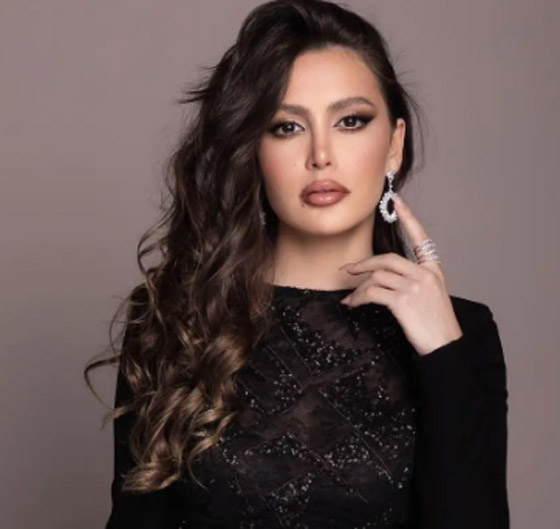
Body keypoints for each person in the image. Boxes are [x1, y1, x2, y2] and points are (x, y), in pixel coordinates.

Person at [84, 1, 510, 527]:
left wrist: (444, 357)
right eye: (287, 127)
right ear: (252, 150)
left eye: (350, 121)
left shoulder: (463, 335)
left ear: (394, 145)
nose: (321, 155)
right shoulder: (178, 321)